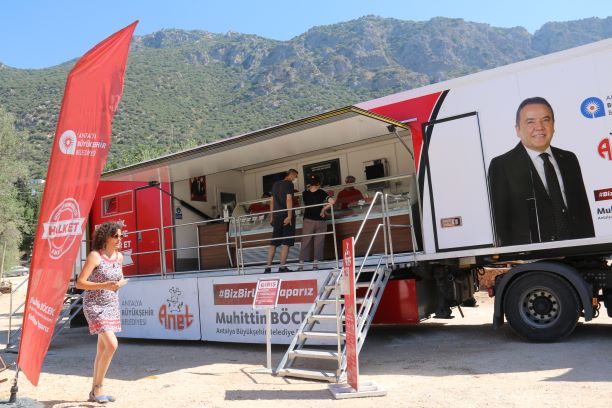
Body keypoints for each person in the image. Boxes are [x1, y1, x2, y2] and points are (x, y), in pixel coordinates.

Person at [488, 97, 595, 246]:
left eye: (546, 120)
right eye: (530, 122)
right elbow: (499, 222)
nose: (539, 127)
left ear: (553, 125)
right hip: (533, 258)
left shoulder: (569, 159)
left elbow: (583, 211)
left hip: (576, 253)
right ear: (518, 130)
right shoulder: (502, 165)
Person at [76, 222, 128, 404]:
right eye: (116, 236)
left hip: (111, 304)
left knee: (102, 350)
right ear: (106, 237)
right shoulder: (95, 256)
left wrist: (120, 283)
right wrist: (104, 285)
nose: (120, 239)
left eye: (121, 236)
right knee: (112, 345)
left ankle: (93, 392)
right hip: (94, 306)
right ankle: (99, 388)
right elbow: (80, 283)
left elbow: (119, 276)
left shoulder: (120, 257)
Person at [265, 169, 299, 273]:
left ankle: (267, 267)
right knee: (286, 242)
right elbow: (289, 199)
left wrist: (271, 216)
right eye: (295, 176)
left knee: (274, 242)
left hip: (277, 216)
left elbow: (272, 201)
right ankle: (282, 267)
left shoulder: (275, 184)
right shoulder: (289, 184)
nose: (295, 179)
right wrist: (289, 216)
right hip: (286, 215)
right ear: (291, 175)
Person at [299, 175, 335, 270]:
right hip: (320, 220)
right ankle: (315, 265)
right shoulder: (322, 192)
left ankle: (301, 265)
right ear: (319, 183)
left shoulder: (304, 193)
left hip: (308, 220)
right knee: (319, 242)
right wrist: (323, 209)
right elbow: (332, 202)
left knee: (305, 242)